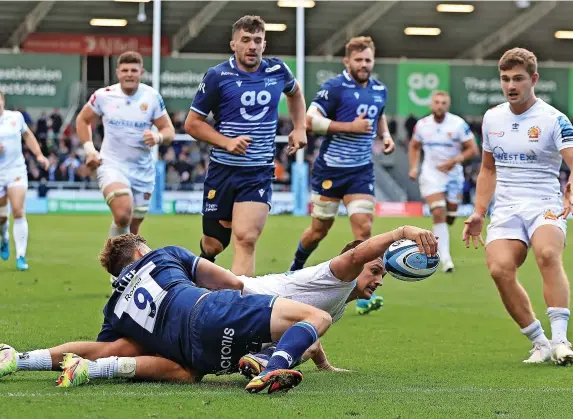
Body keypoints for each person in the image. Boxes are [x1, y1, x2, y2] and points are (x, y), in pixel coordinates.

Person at [0, 226, 438, 386]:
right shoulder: (161, 254)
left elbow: (110, 345)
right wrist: (402, 229)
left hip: (194, 345)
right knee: (314, 319)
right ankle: (269, 363)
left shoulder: (116, 308)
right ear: (138, 252)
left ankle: (22, 360)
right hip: (232, 303)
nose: (377, 279)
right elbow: (227, 280)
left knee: (184, 370)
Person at [462, 47, 573, 365]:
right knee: (499, 269)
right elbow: (488, 169)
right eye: (505, 79)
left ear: (533, 79)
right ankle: (540, 343)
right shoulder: (492, 118)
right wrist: (478, 212)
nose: (511, 85)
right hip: (507, 208)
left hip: (544, 203)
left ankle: (561, 340)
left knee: (548, 254)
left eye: (518, 79)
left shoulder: (554, 119)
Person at [185, 15, 307, 276]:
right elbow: (192, 124)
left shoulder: (278, 71)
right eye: (246, 40)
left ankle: (239, 307)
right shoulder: (218, 76)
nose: (252, 46)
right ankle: (205, 263)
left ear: (264, 44)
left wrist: (300, 128)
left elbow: (295, 93)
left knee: (246, 239)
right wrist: (227, 142)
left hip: (258, 172)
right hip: (222, 171)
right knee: (214, 243)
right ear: (234, 44)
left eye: (257, 40)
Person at [287, 36, 395, 315]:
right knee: (317, 231)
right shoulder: (335, 87)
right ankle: (295, 270)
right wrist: (350, 127)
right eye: (358, 60)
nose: (364, 65)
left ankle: (362, 291)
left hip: (360, 171)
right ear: (347, 62)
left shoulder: (379, 88)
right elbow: (310, 121)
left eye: (368, 60)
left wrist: (385, 135)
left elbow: (379, 115)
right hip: (331, 170)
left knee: (364, 230)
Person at [75, 51, 175, 243]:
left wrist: (158, 136)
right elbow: (82, 119)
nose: (129, 74)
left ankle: (124, 267)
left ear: (141, 72)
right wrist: (90, 150)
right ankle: (115, 269)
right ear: (118, 73)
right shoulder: (104, 96)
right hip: (112, 164)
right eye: (125, 70)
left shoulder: (151, 97)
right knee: (123, 214)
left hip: (143, 170)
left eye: (134, 70)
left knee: (133, 230)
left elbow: (168, 130)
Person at [408, 91, 479, 273]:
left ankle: (445, 227)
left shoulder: (458, 124)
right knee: (438, 211)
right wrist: (414, 167)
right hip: (431, 174)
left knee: (450, 217)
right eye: (437, 102)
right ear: (431, 104)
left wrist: (455, 160)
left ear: (448, 105)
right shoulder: (422, 125)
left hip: (454, 175)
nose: (439, 105)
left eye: (443, 103)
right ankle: (445, 259)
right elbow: (414, 146)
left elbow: (473, 149)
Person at [0, 91, 49, 270]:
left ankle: (21, 256)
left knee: (18, 211)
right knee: (1, 218)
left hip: (16, 170)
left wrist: (39, 155)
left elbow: (27, 135)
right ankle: (3, 238)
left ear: (3, 101)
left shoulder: (16, 118)